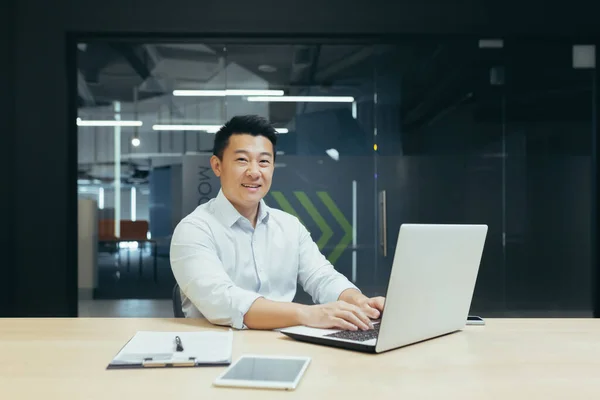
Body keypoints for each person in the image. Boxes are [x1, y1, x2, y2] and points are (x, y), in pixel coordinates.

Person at [170, 115, 385, 331]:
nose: (254, 172)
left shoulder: (289, 226)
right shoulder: (194, 230)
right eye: (242, 160)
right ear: (217, 166)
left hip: (284, 344)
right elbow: (223, 301)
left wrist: (360, 302)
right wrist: (308, 314)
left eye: (264, 161)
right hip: (217, 350)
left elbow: (322, 277)